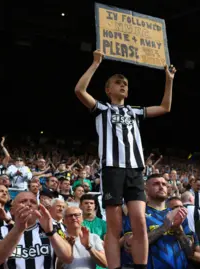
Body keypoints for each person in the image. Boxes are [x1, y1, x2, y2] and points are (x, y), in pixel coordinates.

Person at [75, 49, 176, 269]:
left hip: (135, 170)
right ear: (108, 89)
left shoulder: (135, 111)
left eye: (126, 84)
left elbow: (165, 107)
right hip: (112, 168)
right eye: (118, 82)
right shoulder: (102, 108)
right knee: (115, 227)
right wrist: (95, 63)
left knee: (140, 222)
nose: (123, 85)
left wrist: (168, 81)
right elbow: (80, 90)